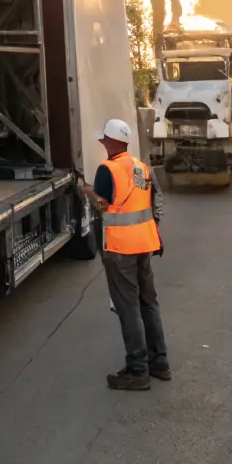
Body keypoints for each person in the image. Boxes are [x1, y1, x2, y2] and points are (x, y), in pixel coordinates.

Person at [87, 118, 169, 390]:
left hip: (120, 247)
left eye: (103, 140)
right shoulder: (141, 167)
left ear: (111, 142)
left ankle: (137, 370)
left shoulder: (106, 170)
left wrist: (85, 191)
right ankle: (159, 362)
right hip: (144, 244)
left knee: (128, 307)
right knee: (148, 302)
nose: (102, 144)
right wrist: (156, 233)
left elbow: (102, 206)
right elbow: (154, 200)